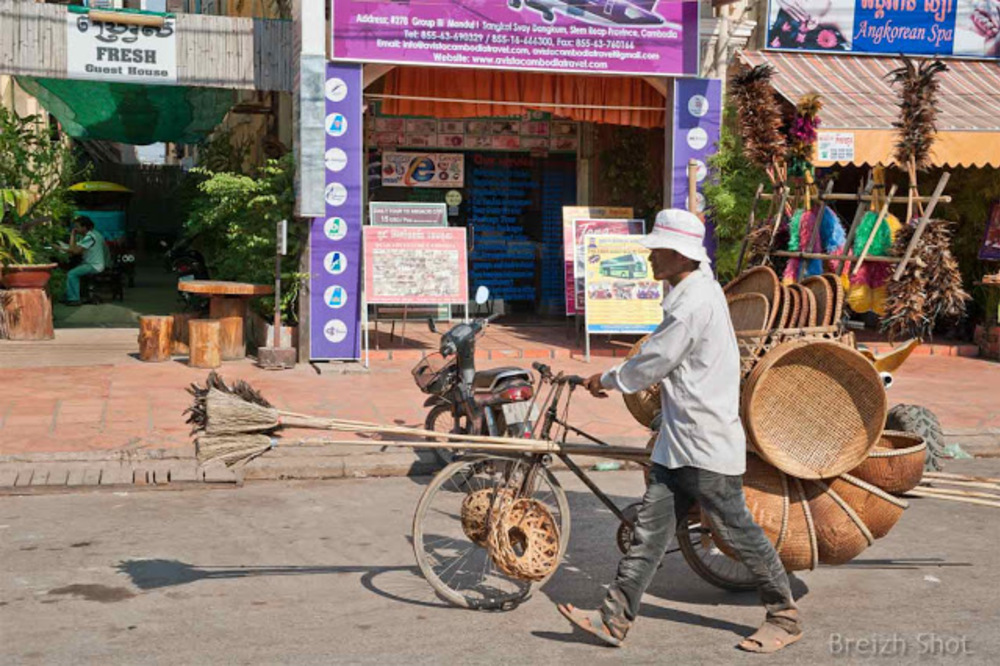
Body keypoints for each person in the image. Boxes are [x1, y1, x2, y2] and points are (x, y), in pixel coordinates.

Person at [556, 209, 802, 654]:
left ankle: (784, 616)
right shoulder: (695, 292)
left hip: (705, 444)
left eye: (658, 250)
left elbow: (653, 361)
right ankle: (614, 618)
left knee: (739, 532)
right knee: (650, 533)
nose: (650, 256)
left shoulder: (692, 306)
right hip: (681, 443)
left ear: (679, 255)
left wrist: (607, 379)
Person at [63, 216, 107, 306]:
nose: (75, 229)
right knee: (75, 270)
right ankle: (73, 294)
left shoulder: (90, 237)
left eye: (77, 227)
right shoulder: (95, 234)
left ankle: (74, 299)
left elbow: (75, 251)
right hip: (96, 264)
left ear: (85, 227)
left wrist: (72, 235)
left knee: (72, 274)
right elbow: (75, 247)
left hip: (93, 265)